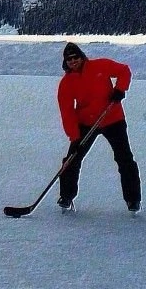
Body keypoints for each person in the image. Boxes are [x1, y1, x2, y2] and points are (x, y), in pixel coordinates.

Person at [56, 42, 141, 212]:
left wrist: (120, 89)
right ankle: (66, 197)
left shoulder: (100, 65)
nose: (73, 61)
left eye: (76, 57)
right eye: (69, 59)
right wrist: (74, 136)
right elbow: (67, 111)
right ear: (65, 63)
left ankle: (133, 200)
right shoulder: (66, 83)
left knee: (124, 159)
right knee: (72, 159)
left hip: (112, 118)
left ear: (82, 57)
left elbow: (124, 71)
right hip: (86, 124)